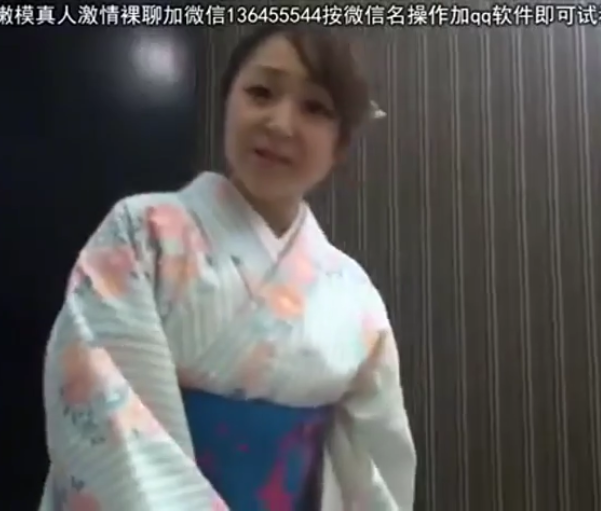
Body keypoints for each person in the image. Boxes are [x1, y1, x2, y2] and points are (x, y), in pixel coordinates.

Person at [38, 26, 417, 511]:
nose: (280, 123)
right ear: (227, 102)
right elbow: (100, 402)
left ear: (339, 145)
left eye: (315, 108)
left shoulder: (355, 297)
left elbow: (371, 465)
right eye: (261, 92)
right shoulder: (140, 234)